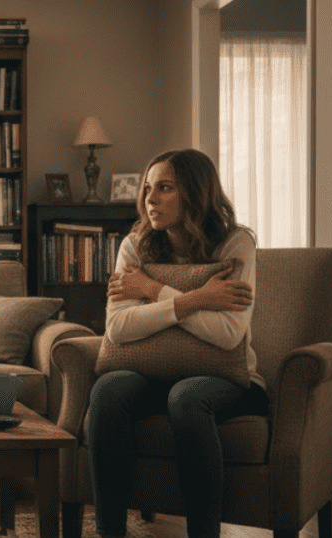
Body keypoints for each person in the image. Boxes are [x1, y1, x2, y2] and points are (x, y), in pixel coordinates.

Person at [90, 149, 269, 538]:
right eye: (148, 188)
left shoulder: (236, 245)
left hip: (226, 379)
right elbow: (119, 327)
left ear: (195, 192)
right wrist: (199, 298)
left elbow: (227, 335)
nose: (150, 199)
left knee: (187, 399)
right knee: (107, 391)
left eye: (165, 188)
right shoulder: (135, 245)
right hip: (150, 373)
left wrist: (151, 290)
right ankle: (109, 532)